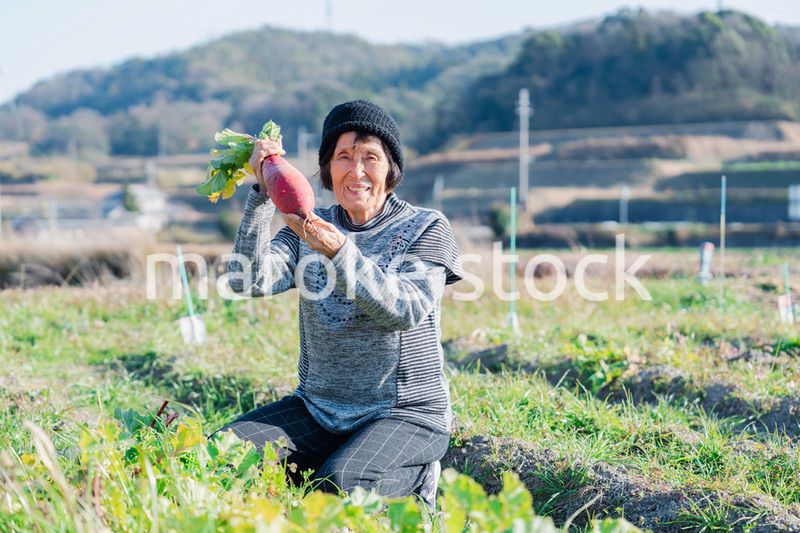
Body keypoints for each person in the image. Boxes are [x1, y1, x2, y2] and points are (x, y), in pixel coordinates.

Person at [218, 99, 463, 508]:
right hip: (318, 409)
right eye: (343, 157)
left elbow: (404, 309)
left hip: (406, 414)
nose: (357, 171)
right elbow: (248, 280)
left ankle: (418, 480)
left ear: (391, 169)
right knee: (221, 456)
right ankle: (325, 463)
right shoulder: (307, 225)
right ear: (328, 168)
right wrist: (262, 194)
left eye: (371, 157)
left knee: (340, 488)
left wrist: (337, 250)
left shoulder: (426, 227)